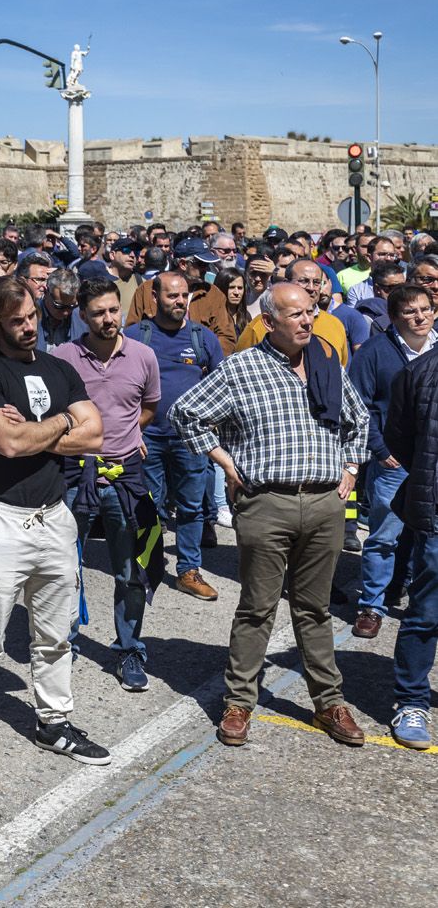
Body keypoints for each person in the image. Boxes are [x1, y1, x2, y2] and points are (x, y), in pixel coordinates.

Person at [171, 283, 368, 749]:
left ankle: (329, 703)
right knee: (257, 608)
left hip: (324, 504)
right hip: (266, 504)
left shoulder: (326, 363)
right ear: (269, 321)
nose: (307, 321)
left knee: (314, 609)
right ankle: (239, 702)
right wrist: (225, 461)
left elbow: (359, 421)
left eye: (311, 312)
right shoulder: (242, 368)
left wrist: (352, 469)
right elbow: (186, 414)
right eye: (296, 314)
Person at [0, 276, 109, 784]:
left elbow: (96, 434)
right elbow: (8, 446)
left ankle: (53, 722)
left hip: (54, 516)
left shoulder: (60, 368)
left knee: (55, 633)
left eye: (33, 317)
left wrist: (43, 427)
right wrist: (63, 424)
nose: (28, 327)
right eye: (16, 320)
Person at [50, 278, 163, 690]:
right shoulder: (62, 357)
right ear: (83, 315)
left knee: (131, 569)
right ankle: (63, 643)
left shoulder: (143, 357)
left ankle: (129, 648)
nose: (108, 319)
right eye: (98, 312)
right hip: (74, 474)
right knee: (63, 568)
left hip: (127, 474)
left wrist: (130, 437)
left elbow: (148, 406)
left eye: (113, 310)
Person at [123, 273, 225, 599]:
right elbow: (119, 385)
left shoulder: (203, 339)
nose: (180, 302)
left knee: (191, 507)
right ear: (155, 297)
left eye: (184, 296)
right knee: (148, 507)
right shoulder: (135, 336)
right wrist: (129, 430)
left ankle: (188, 571)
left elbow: (220, 386)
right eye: (172, 296)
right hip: (146, 437)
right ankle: (148, 567)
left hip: (190, 439)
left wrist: (210, 424)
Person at [348, 283, 435, 639]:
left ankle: (420, 597)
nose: (420, 317)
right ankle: (372, 604)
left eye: (426, 309)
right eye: (410, 312)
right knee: (384, 537)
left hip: (432, 463)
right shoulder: (374, 352)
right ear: (395, 318)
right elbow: (357, 405)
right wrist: (381, 452)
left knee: (428, 537)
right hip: (394, 463)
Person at [384, 327, 438, 748]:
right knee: (426, 612)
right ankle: (411, 701)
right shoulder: (420, 372)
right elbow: (398, 436)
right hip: (435, 511)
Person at [125, 238, 237, 355]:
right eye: (201, 264)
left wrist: (208, 359)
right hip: (156, 363)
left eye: (207, 265)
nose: (206, 269)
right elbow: (132, 332)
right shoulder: (147, 290)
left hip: (199, 368)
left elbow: (227, 336)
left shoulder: (213, 294)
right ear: (183, 264)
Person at [235, 259, 350, 365]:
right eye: (304, 281)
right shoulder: (260, 326)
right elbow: (239, 366)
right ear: (286, 282)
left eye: (316, 282)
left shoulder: (335, 325)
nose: (311, 288)